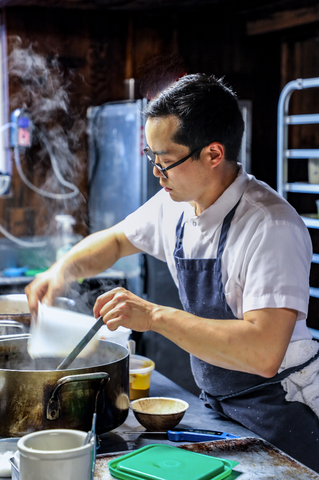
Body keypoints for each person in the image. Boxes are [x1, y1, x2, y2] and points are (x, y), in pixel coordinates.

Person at [25, 73, 319, 472]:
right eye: (151, 158)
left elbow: (263, 351)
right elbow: (114, 240)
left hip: (282, 411)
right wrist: (61, 270)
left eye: (166, 161)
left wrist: (153, 316)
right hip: (222, 407)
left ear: (214, 154)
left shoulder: (271, 226)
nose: (156, 173)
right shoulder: (177, 204)